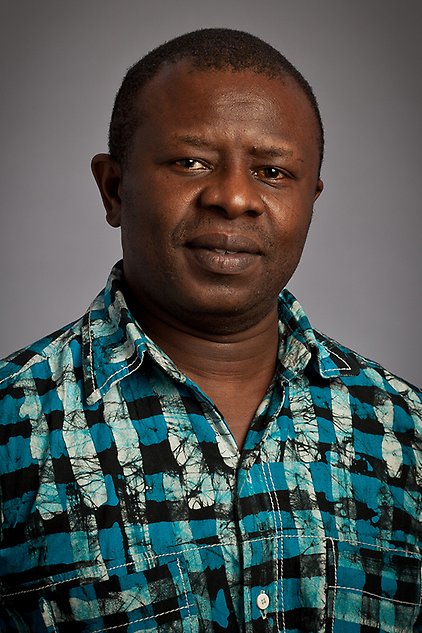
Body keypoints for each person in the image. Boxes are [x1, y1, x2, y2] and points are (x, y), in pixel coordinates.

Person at [0, 28, 420, 633]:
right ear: (114, 189)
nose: (233, 197)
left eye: (273, 171)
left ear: (312, 201)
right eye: (191, 162)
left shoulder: (405, 431)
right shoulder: (16, 421)